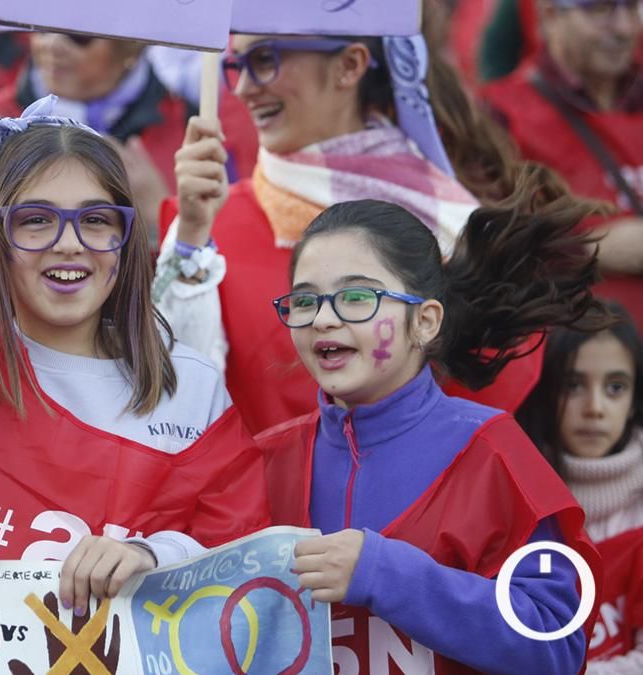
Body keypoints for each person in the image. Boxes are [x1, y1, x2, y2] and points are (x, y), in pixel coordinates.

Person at [0, 96, 267, 615]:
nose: (69, 244)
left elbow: (244, 555)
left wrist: (152, 556)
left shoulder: (188, 381)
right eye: (36, 221)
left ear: (125, 240)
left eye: (97, 219)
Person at [154, 6, 563, 434]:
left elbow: (493, 391)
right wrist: (190, 239)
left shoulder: (448, 217)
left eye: (264, 60)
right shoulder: (204, 230)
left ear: (349, 66)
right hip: (258, 498)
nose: (242, 88)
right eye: (234, 65)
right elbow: (175, 393)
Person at [258, 196, 605, 672]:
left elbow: (557, 644)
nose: (322, 318)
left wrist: (387, 574)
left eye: (356, 297)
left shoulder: (494, 451)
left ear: (424, 322)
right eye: (304, 300)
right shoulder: (262, 461)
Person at [481, 0, 643, 331]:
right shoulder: (500, 116)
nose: (625, 28)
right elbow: (479, 245)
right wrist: (589, 247)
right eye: (600, 9)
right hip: (573, 356)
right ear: (551, 16)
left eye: (633, 7)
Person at [518, 303, 643, 671]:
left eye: (615, 387)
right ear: (546, 394)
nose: (595, 408)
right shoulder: (513, 495)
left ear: (635, 402)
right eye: (573, 385)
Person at [0, 33, 195, 241]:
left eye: (78, 36)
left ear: (128, 47)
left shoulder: (188, 125)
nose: (52, 44)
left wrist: (160, 219)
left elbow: (215, 255)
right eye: (43, 28)